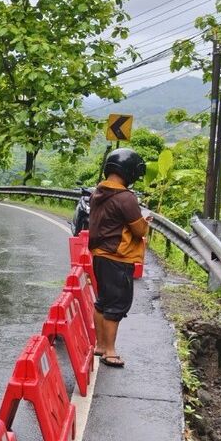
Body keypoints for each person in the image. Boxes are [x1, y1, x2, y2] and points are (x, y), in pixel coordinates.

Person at [87, 148, 149, 369]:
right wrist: (146, 222)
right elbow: (139, 230)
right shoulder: (125, 198)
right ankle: (110, 351)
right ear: (129, 171)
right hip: (118, 257)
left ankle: (101, 346)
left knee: (103, 301)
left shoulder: (98, 192)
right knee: (116, 304)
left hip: (100, 255)